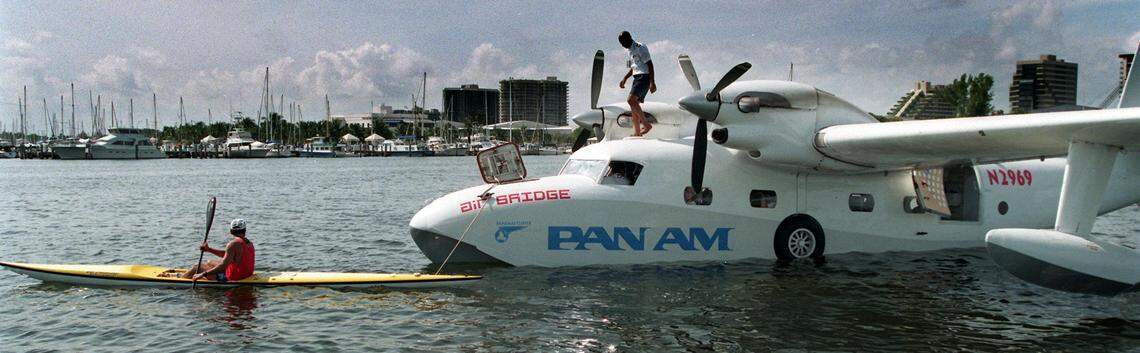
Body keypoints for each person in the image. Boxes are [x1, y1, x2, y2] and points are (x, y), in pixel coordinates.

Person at [184, 219, 256, 282]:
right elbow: (228, 254)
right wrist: (209, 250)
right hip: (246, 274)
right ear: (245, 230)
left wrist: (203, 274)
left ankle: (182, 278)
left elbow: (223, 265)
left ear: (231, 231)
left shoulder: (233, 244)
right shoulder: (249, 243)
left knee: (197, 267)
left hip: (233, 277)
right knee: (210, 262)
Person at [618, 31, 656, 137]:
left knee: (630, 100)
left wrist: (652, 82)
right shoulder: (628, 52)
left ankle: (646, 125)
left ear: (629, 37)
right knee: (634, 105)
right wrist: (624, 78)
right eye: (621, 43)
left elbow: (650, 64)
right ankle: (637, 132)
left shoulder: (640, 47)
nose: (622, 44)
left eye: (624, 41)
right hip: (636, 78)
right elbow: (632, 68)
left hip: (644, 76)